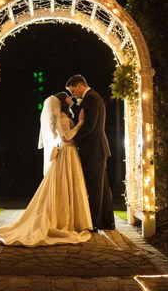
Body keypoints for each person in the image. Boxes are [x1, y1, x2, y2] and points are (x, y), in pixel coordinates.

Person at [0, 92, 93, 246]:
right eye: (68, 97)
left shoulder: (65, 114)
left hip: (69, 153)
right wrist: (81, 122)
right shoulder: (62, 117)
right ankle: (63, 220)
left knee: (68, 185)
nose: (72, 98)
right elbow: (67, 137)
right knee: (64, 184)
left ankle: (70, 219)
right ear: (63, 101)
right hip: (66, 152)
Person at [65, 75, 115, 230]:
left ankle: (94, 222)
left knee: (95, 187)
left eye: (73, 91)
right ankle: (108, 222)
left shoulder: (91, 98)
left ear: (79, 86)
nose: (73, 95)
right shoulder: (91, 98)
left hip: (94, 149)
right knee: (103, 187)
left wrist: (74, 140)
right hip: (97, 148)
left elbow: (90, 126)